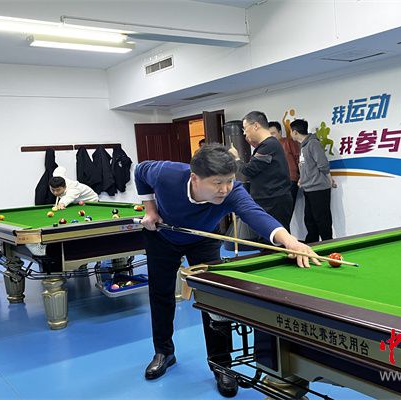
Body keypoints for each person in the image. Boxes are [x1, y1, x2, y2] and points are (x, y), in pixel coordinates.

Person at [134, 144, 320, 397]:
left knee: (215, 300)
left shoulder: (233, 193)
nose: (224, 189)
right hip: (162, 237)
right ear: (195, 178)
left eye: (229, 180)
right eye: (217, 182)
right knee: (161, 294)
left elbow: (255, 214)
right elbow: (140, 171)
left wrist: (290, 241)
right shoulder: (167, 174)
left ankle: (222, 366)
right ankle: (164, 352)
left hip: (204, 239)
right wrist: (150, 209)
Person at [229, 111, 293, 235]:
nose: (244, 133)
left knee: (274, 239)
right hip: (271, 200)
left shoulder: (269, 145)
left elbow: (249, 170)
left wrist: (236, 159)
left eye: (245, 128)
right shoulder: (267, 145)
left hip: (273, 202)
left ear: (256, 126)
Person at [290, 119, 336, 242]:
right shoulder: (303, 146)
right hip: (308, 188)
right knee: (309, 220)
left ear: (295, 132)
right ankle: (312, 244)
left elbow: (323, 164)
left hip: (318, 188)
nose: (290, 134)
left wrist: (330, 179)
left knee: (322, 219)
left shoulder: (313, 143)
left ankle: (328, 244)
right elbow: (306, 166)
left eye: (291, 131)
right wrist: (301, 179)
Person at [269, 121, 300, 207]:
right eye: (269, 134)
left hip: (290, 179)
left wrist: (301, 176)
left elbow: (298, 159)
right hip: (276, 182)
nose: (271, 136)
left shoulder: (289, 142)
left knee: (287, 208)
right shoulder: (268, 147)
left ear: (280, 132)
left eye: (273, 133)